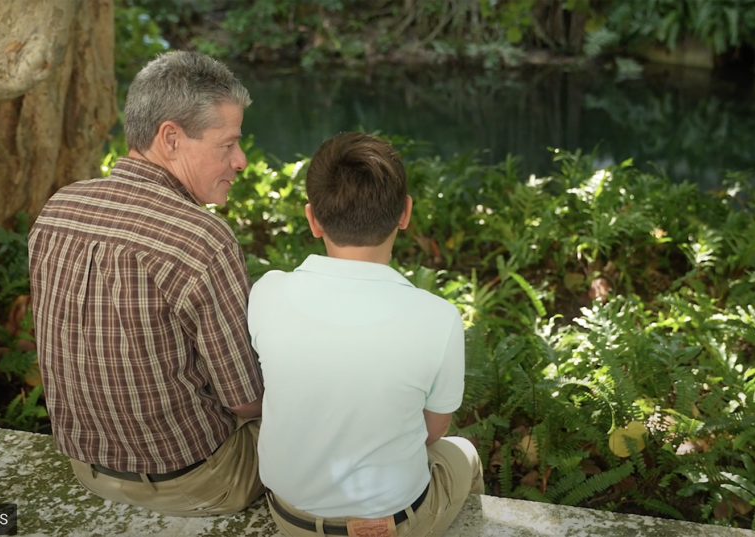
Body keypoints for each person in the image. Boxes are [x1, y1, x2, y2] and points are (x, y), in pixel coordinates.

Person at [28, 51, 264, 516]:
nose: (240, 162)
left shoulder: (59, 208)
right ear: (171, 138)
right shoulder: (201, 238)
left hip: (88, 467)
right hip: (197, 482)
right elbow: (247, 402)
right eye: (229, 144)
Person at [248, 132, 484, 537]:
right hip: (391, 523)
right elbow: (433, 431)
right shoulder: (439, 318)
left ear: (313, 219)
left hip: (290, 516)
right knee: (464, 453)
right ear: (405, 213)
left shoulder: (267, 291)